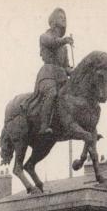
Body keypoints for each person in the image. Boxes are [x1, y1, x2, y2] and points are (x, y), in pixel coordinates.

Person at [31, 7, 74, 135]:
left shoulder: (64, 48)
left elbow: (66, 67)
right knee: (52, 93)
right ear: (54, 21)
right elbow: (52, 43)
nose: (64, 19)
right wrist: (65, 40)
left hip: (61, 77)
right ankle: (44, 126)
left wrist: (74, 72)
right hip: (48, 75)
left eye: (65, 18)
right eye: (61, 17)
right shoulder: (45, 36)